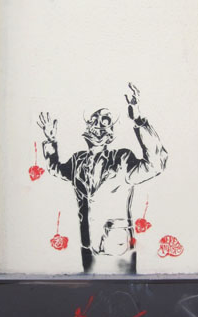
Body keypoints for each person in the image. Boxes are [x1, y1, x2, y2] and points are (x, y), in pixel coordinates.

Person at [38, 83, 168, 273]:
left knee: (122, 289)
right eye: (94, 121)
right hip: (88, 245)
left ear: (111, 133)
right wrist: (50, 140)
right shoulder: (77, 160)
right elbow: (55, 168)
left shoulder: (123, 159)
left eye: (104, 121)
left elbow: (156, 163)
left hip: (117, 246)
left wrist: (139, 120)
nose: (98, 126)